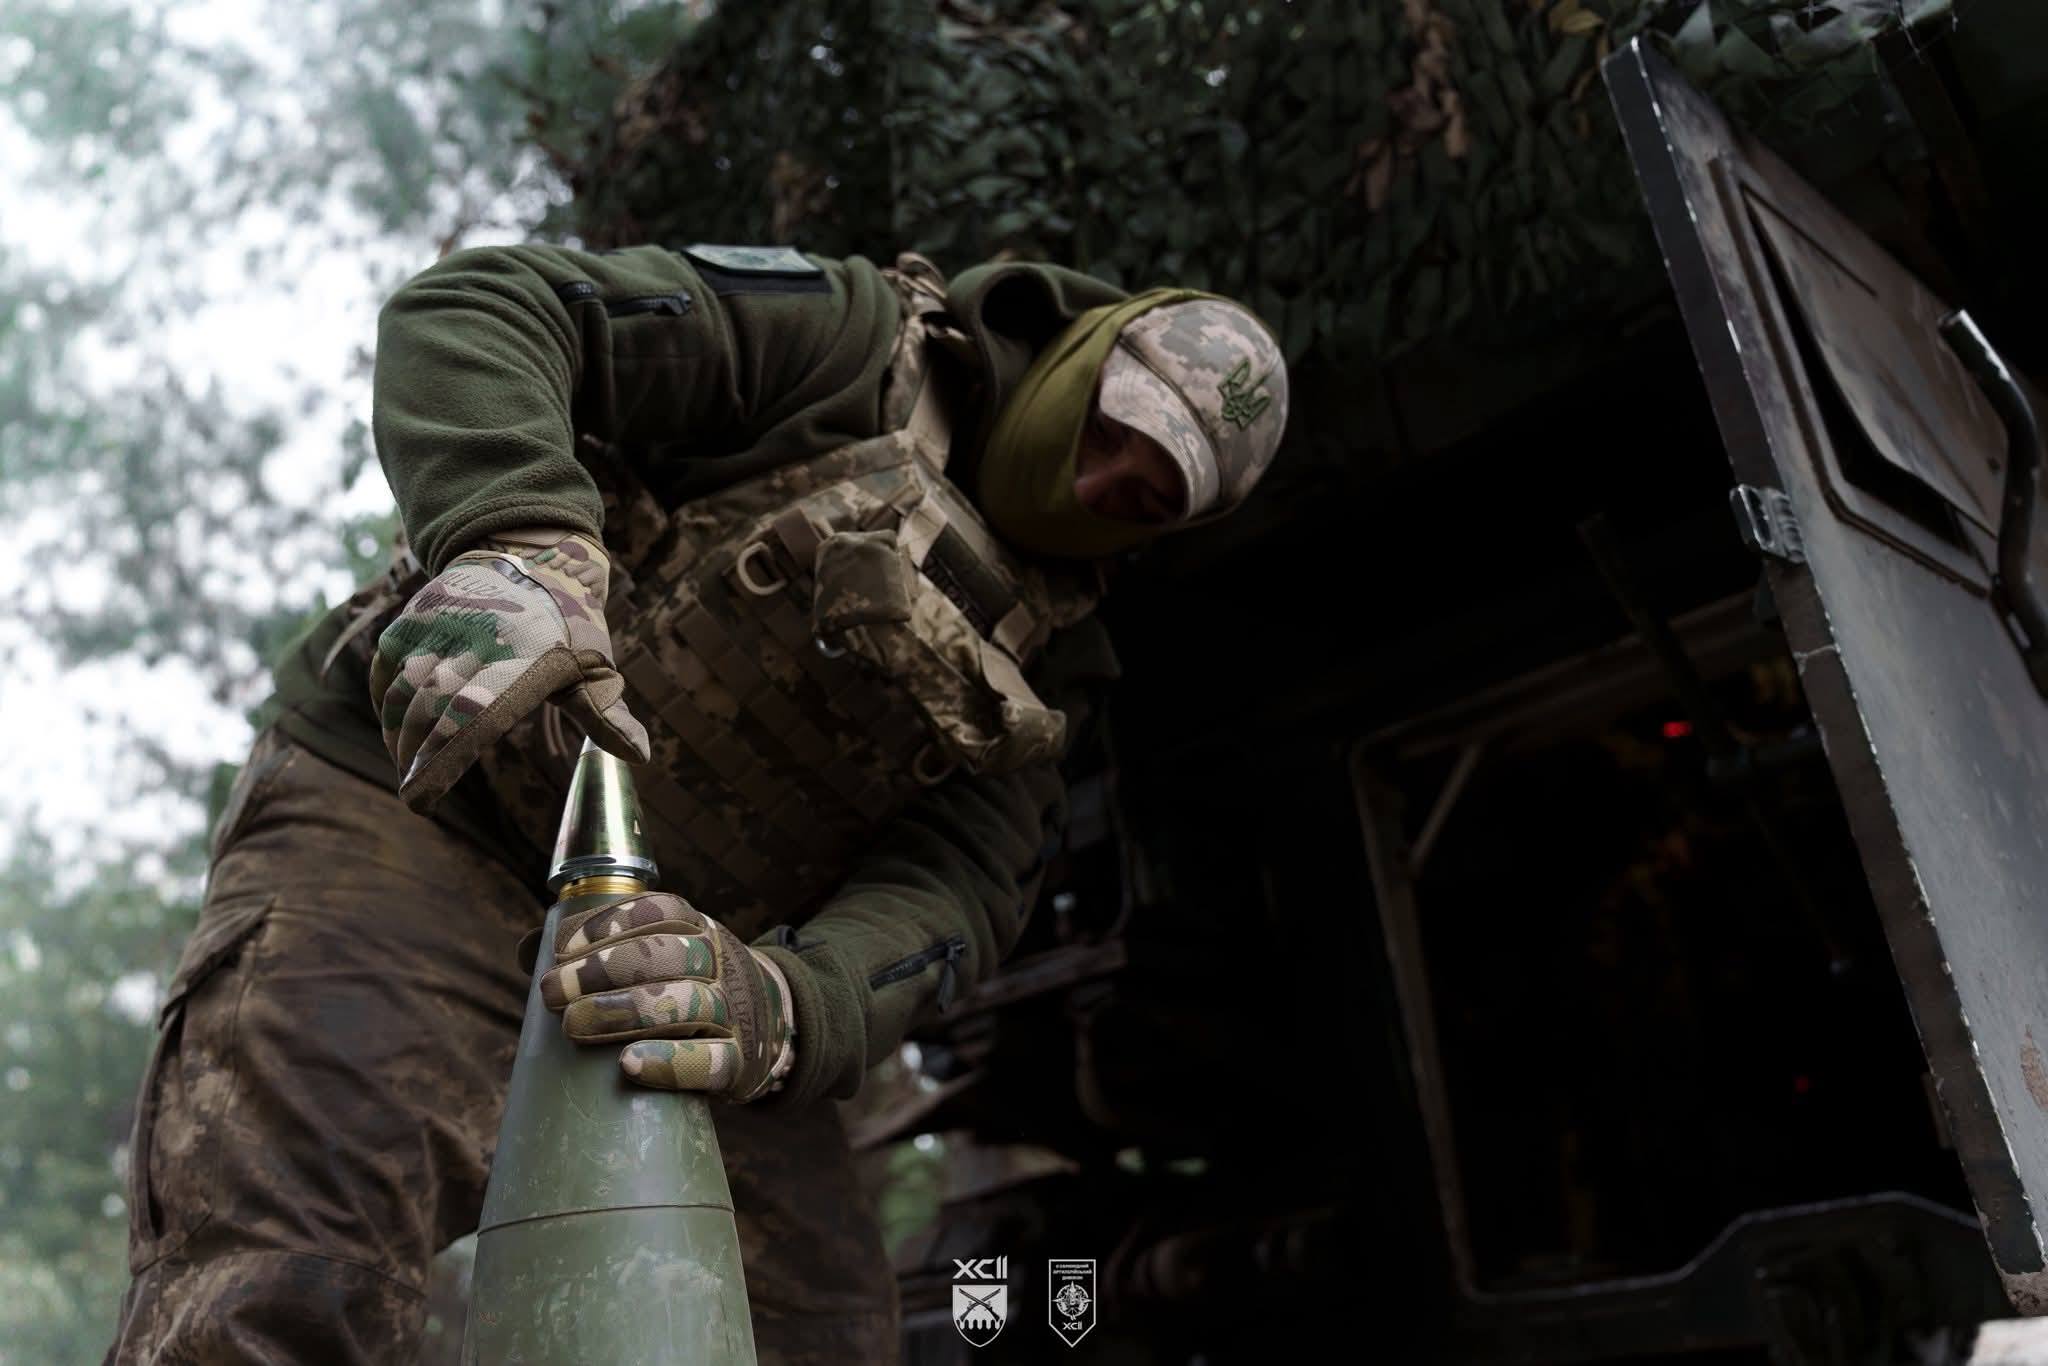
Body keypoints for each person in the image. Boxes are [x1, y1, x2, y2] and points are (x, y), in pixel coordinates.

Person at [104, 239, 1289, 1364]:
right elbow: (480, 308)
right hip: (416, 823)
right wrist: (517, 538)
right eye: (1107, 432)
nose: (1093, 483)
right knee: (285, 1284)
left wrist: (787, 1001)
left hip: (675, 972)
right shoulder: (844, 347)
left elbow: (956, 891)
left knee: (807, 1334)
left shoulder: (1058, 665)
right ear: (1081, 360)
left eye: (1140, 498)